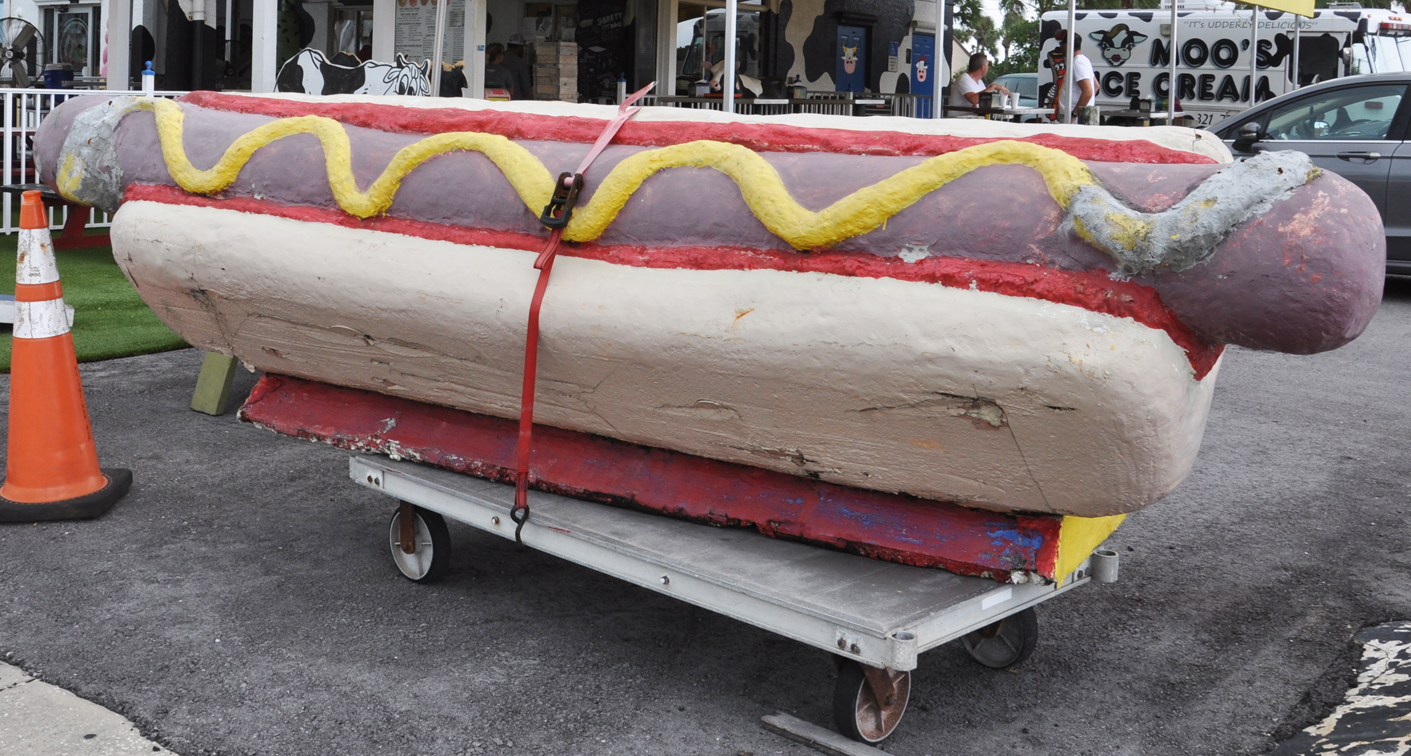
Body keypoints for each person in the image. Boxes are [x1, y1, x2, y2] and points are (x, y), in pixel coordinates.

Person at [1056, 33, 1097, 118]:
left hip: (1074, 116)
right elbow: (1096, 86)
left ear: (1067, 45)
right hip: (1081, 114)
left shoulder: (1077, 62)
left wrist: (1074, 114)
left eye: (1061, 44)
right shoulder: (1084, 60)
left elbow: (1088, 92)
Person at [503, 33, 535, 101]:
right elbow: (526, 86)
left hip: (499, 97)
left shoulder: (499, 59)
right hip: (516, 99)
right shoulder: (520, 62)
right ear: (519, 47)